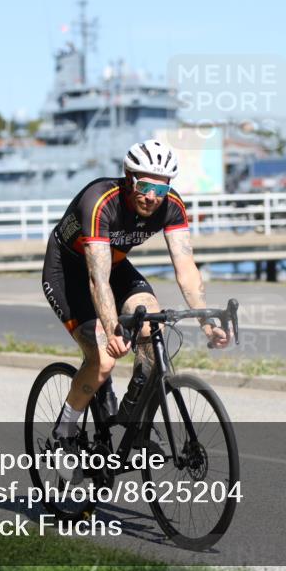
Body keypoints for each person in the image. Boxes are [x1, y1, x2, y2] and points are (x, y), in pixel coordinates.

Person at [41, 139, 230, 479]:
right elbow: (97, 279)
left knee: (152, 328)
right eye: (145, 186)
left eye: (161, 188)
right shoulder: (100, 201)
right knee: (103, 359)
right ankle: (64, 433)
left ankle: (134, 422)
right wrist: (111, 329)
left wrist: (205, 321)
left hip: (114, 266)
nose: (152, 196)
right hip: (69, 273)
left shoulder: (171, 206)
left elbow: (186, 268)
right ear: (129, 179)